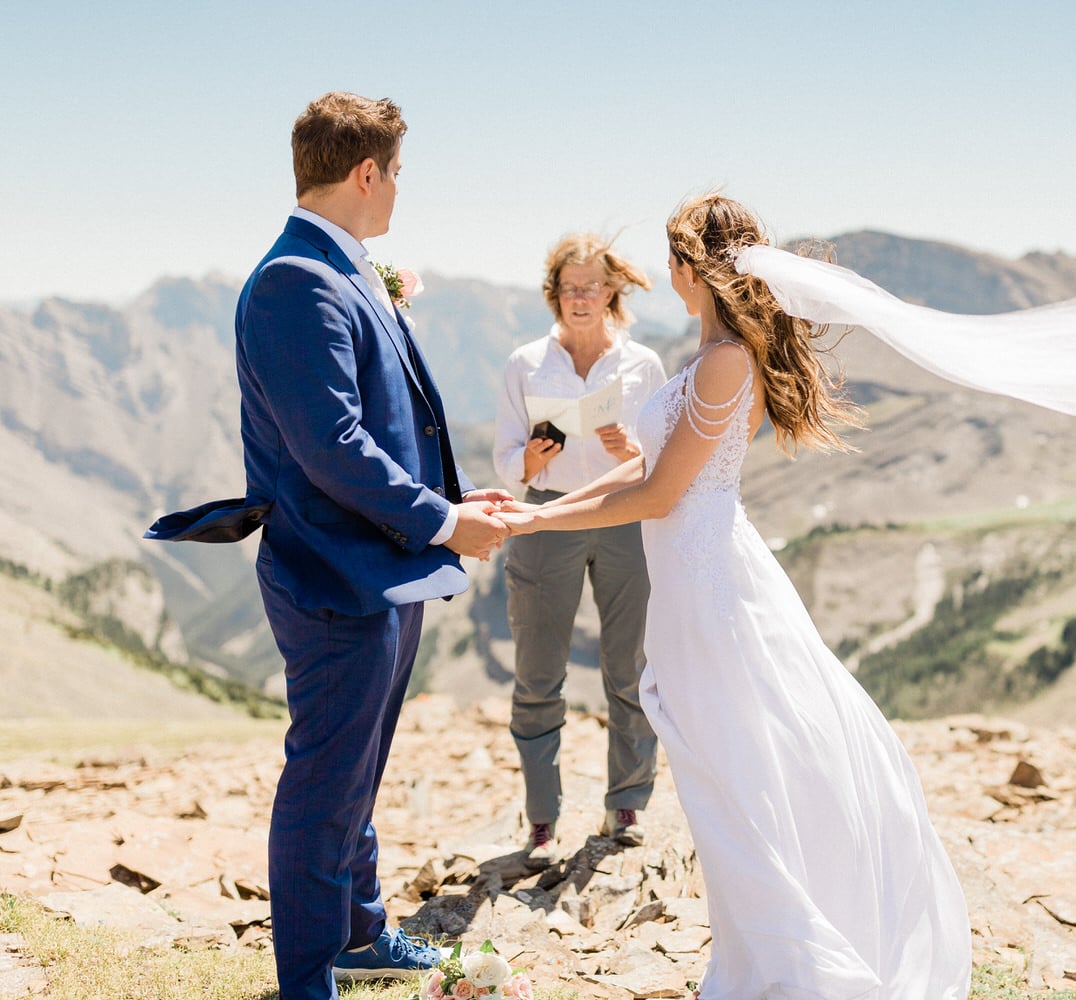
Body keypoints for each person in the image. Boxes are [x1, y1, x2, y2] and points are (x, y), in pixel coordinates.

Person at [498, 196, 972, 998]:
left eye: (675, 265)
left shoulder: (724, 362)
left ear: (694, 270)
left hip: (711, 582)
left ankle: (788, 964)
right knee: (717, 767)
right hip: (689, 578)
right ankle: (751, 956)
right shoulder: (710, 350)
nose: (672, 279)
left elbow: (660, 493)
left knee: (733, 770)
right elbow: (640, 468)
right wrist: (537, 515)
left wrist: (539, 524)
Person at [149, 92, 511, 1000]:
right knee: (324, 780)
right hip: (333, 570)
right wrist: (445, 522)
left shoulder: (342, 268)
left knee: (359, 767)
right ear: (365, 173)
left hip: (381, 566)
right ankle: (308, 976)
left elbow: (393, 423)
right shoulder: (293, 280)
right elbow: (333, 446)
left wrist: (457, 501)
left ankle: (359, 935)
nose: (398, 190)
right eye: (396, 172)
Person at [492, 235, 666, 864]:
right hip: (548, 516)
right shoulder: (525, 363)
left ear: (612, 293)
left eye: (592, 286)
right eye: (570, 287)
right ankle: (542, 820)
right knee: (538, 674)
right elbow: (505, 458)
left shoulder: (643, 365)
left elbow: (665, 458)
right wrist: (528, 460)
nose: (580, 298)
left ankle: (628, 804)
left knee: (631, 667)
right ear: (555, 293)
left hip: (624, 518)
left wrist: (630, 454)